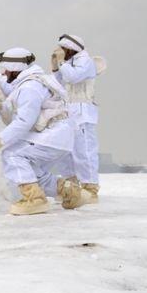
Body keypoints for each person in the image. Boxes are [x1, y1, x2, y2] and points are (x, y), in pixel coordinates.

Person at [0, 48, 81, 215]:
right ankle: (68, 190)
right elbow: (20, 105)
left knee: (12, 154)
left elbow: (24, 120)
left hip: (53, 135)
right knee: (31, 170)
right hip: (58, 135)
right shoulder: (35, 81)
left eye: (6, 68)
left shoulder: (30, 86)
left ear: (15, 68)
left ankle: (34, 200)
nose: (4, 72)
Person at [51, 34, 100, 203]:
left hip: (83, 111)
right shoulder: (69, 64)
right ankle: (71, 186)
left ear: (70, 49)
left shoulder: (86, 61)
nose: (61, 52)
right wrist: (56, 67)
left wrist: (62, 63)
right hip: (68, 111)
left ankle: (90, 188)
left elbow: (73, 77)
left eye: (63, 49)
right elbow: (58, 83)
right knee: (66, 150)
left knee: (84, 151)